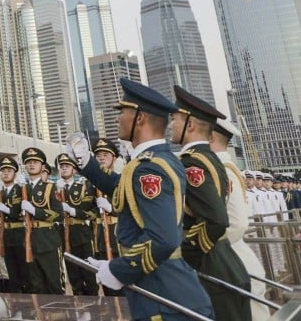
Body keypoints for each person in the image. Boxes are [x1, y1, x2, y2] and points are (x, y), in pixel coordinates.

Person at [72, 77, 213, 321]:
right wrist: (87, 163)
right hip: (162, 286)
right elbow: (123, 187)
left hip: (162, 294)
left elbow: (164, 239)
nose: (118, 118)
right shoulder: (155, 161)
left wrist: (117, 270)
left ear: (140, 118)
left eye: (123, 112)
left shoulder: (150, 168)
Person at [171, 86, 252, 321]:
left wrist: (184, 253)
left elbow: (217, 220)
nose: (170, 126)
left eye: (175, 119)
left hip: (211, 267)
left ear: (191, 125)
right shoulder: (210, 159)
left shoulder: (192, 163)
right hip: (224, 263)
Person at [211, 117, 270, 321]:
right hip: (235, 256)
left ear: (210, 137)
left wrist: (204, 246)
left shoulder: (223, 170)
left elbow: (237, 223)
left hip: (231, 259)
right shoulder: (224, 167)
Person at [17, 147, 64, 294]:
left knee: (54, 284)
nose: (32, 165)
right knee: (37, 286)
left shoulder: (50, 187)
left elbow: (59, 215)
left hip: (47, 240)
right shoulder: (21, 189)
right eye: (29, 162)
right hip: (30, 240)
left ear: (42, 166)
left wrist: (34, 211)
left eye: (36, 162)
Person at [55, 152, 97, 296]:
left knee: (88, 271)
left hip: (81, 233)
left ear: (74, 169)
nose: (64, 169)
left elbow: (92, 212)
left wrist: (73, 211)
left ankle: (95, 302)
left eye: (67, 166)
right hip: (62, 232)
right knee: (72, 273)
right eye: (61, 166)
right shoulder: (54, 188)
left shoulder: (83, 187)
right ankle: (79, 302)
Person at [0, 156, 28, 293]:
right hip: (6, 236)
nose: (5, 173)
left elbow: (20, 212)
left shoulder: (20, 190)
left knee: (24, 272)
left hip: (19, 235)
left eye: (9, 170)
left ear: (15, 173)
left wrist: (7, 210)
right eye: (3, 170)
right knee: (11, 273)